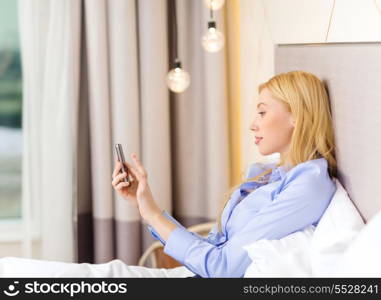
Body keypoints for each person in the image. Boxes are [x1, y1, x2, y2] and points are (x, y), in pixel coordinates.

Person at [111, 70, 337, 278]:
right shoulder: (268, 175)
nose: (252, 125)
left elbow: (222, 269)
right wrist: (146, 206)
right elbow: (213, 249)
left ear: (296, 116)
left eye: (262, 112)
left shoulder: (308, 186)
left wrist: (153, 215)